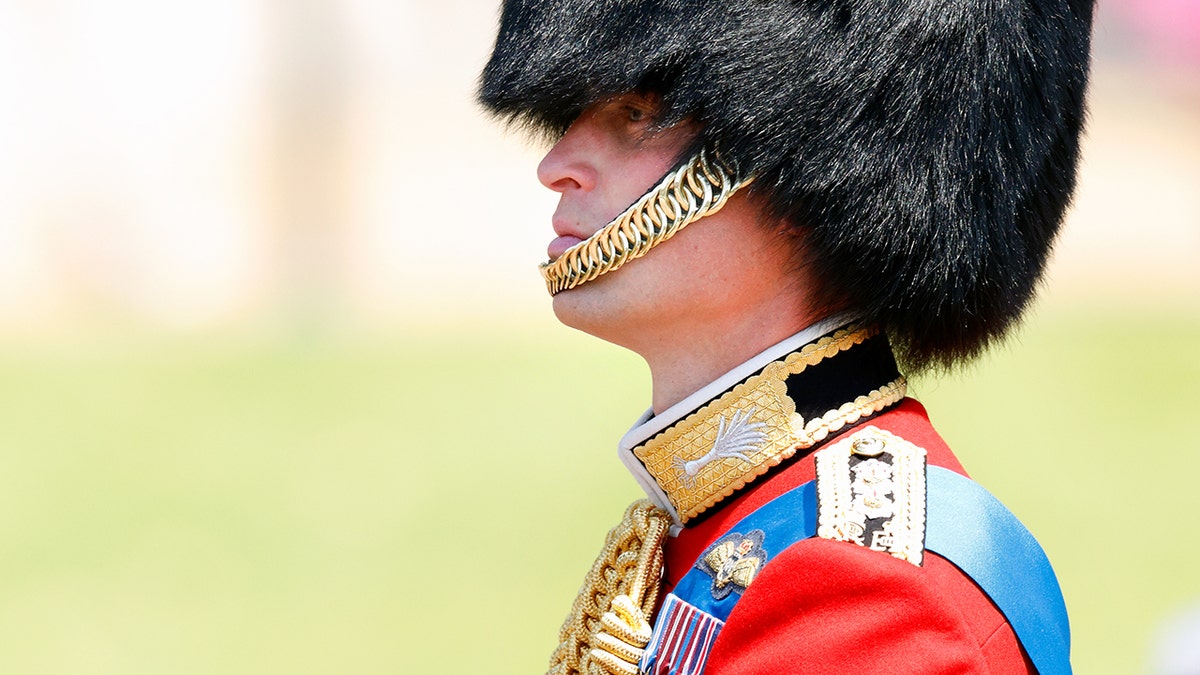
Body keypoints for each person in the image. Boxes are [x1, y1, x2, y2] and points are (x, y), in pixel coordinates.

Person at [478, 1, 1094, 673]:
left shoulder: (862, 594)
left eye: (637, 113)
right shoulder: (729, 524)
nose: (558, 162)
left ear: (796, 159)